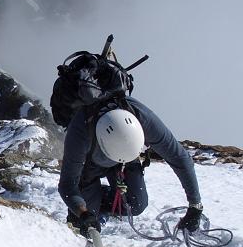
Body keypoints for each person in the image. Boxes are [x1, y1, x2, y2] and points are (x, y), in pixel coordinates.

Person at [58, 96, 204, 238]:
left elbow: (179, 157)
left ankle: (100, 201)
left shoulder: (141, 117)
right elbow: (68, 183)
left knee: (136, 204)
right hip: (89, 167)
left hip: (125, 161)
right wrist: (83, 212)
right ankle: (90, 201)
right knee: (83, 228)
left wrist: (195, 205)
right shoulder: (80, 132)